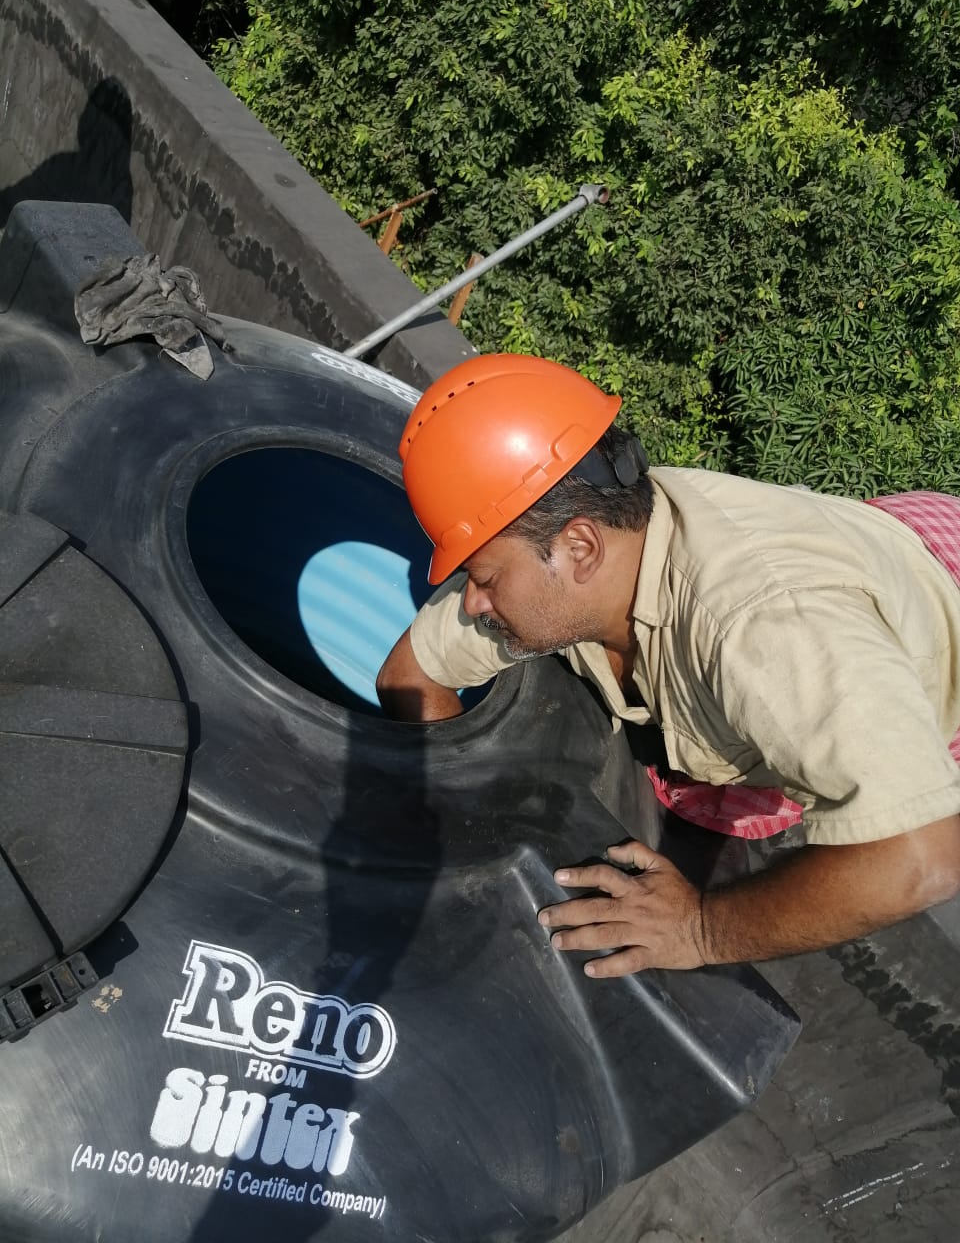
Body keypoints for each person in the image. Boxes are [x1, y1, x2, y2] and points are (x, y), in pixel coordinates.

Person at [377, 353, 960, 975]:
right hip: (857, 550)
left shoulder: (764, 632)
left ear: (579, 547)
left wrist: (700, 929)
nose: (472, 602)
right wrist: (474, 827)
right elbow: (409, 676)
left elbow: (921, 856)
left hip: (932, 608)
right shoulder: (563, 531)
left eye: (485, 578)